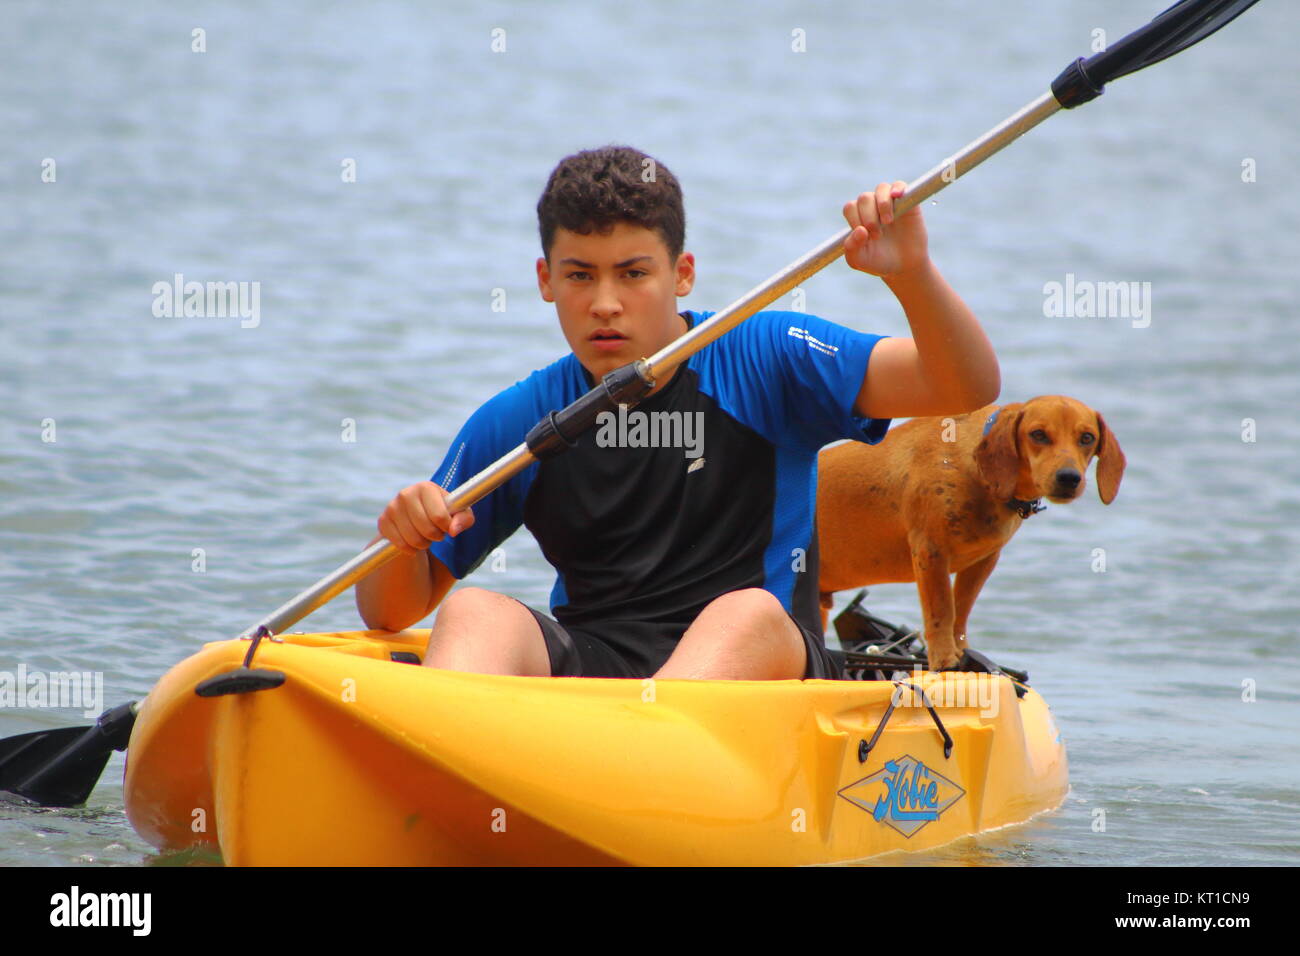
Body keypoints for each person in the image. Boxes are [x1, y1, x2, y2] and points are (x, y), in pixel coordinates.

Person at [355, 145, 999, 680]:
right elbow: (391, 610)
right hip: (600, 671)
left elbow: (964, 386)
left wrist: (909, 273)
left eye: (633, 274)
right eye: (580, 276)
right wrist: (398, 541)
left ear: (681, 273)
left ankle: (634, 759)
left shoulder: (764, 354)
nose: (605, 303)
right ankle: (462, 791)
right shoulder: (520, 418)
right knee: (473, 614)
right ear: (546, 280)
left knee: (742, 615)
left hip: (765, 669)